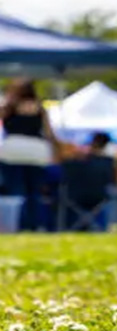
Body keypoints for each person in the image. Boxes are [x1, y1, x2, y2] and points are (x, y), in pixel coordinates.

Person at [0, 78, 59, 232]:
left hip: (12, 151)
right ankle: (35, 225)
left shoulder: (8, 107)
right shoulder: (40, 109)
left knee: (16, 191)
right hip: (36, 152)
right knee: (35, 192)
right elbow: (49, 133)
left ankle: (19, 224)